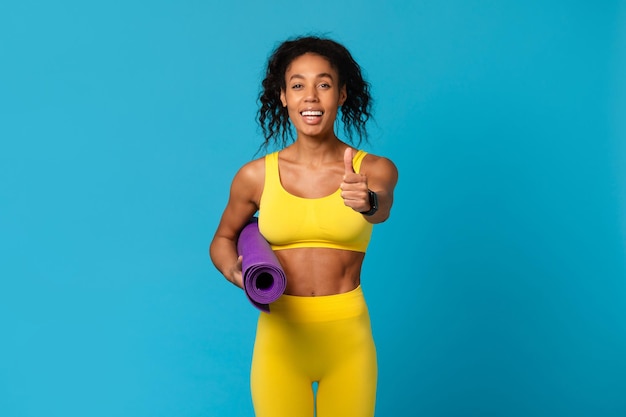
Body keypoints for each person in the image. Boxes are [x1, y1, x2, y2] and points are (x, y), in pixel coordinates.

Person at [209, 35, 398, 417]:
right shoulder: (254, 176)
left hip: (347, 339)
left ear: (342, 94)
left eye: (324, 84)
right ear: (283, 96)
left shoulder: (373, 170)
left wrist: (368, 202)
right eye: (298, 85)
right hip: (280, 339)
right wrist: (237, 271)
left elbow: (381, 209)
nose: (311, 97)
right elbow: (223, 238)